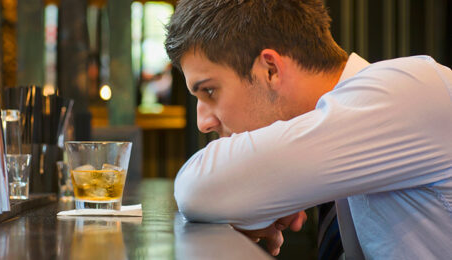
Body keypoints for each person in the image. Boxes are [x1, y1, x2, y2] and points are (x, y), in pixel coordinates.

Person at [165, 0, 452, 259]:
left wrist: (248, 186)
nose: (203, 122)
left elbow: (196, 188)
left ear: (271, 70)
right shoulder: (355, 127)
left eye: (210, 91)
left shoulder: (408, 89)